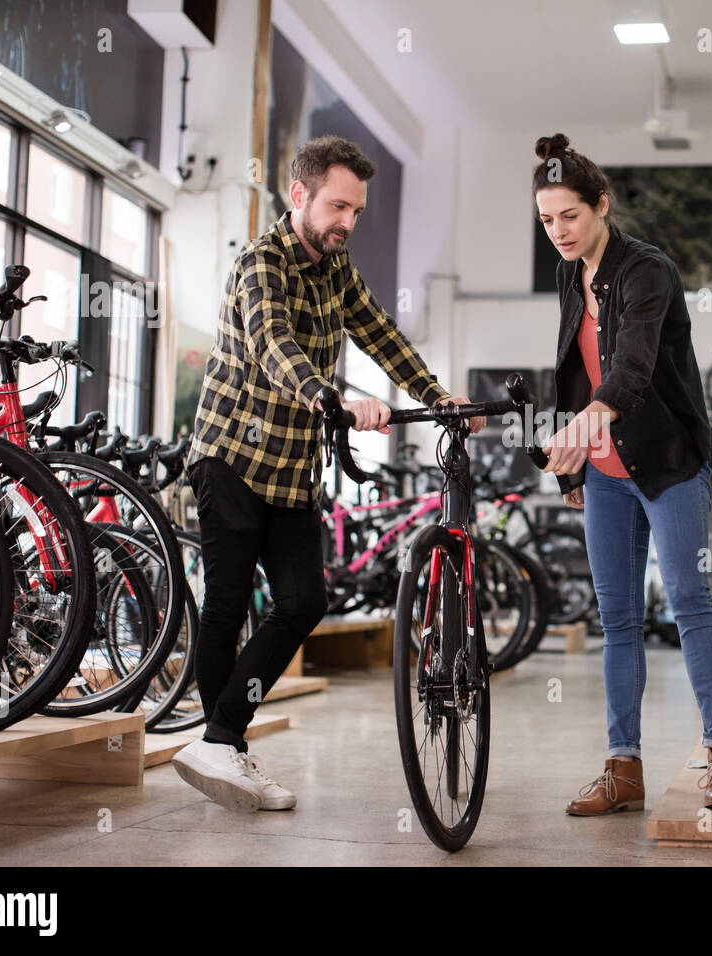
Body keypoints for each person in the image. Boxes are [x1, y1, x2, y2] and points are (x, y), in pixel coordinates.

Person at [173, 136, 482, 812]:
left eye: (357, 210)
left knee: (303, 603)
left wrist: (435, 397)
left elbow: (381, 334)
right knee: (227, 605)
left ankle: (219, 741)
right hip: (230, 453)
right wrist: (330, 397)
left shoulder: (338, 268)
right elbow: (273, 345)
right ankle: (224, 744)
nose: (347, 220)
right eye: (338, 205)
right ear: (300, 195)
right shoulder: (261, 262)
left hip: (292, 469)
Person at [532, 133, 712, 815]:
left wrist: (580, 428)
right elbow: (573, 366)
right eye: (545, 220)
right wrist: (574, 468)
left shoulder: (647, 271)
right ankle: (623, 770)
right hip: (602, 472)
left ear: (601, 205)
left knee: (688, 599)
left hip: (669, 463)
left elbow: (631, 369)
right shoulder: (571, 276)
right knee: (617, 619)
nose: (558, 231)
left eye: (569, 215)